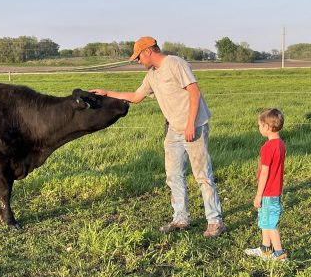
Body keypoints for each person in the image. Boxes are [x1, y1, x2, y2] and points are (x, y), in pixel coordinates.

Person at [91, 36, 224, 237]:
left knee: (202, 175)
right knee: (173, 175)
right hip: (173, 129)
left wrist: (190, 124)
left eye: (138, 57)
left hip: (193, 126)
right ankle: (180, 218)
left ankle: (214, 221)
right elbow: (136, 97)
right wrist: (106, 93)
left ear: (148, 51)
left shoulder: (175, 63)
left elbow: (194, 92)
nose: (138, 61)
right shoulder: (152, 76)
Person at [245, 108, 287, 260]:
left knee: (270, 223)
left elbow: (264, 173)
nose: (259, 128)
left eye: (260, 125)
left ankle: (279, 254)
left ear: (267, 127)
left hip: (268, 192)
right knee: (264, 220)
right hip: (274, 190)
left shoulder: (267, 148)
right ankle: (265, 249)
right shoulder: (280, 144)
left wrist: (258, 195)